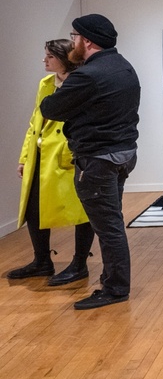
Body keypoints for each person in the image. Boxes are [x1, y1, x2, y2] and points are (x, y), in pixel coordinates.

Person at [40, 14, 140, 310]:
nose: (72, 42)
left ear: (87, 41)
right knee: (112, 223)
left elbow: (50, 108)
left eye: (74, 37)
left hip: (97, 160)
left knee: (109, 227)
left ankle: (116, 288)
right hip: (123, 155)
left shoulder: (88, 75)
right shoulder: (124, 67)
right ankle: (112, 281)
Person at [7, 40, 96, 286]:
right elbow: (34, 123)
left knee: (82, 212)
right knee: (33, 209)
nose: (44, 61)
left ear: (64, 58)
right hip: (41, 156)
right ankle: (42, 261)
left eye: (49, 56)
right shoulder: (45, 84)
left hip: (68, 156)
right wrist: (25, 157)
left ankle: (80, 263)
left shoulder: (82, 82)